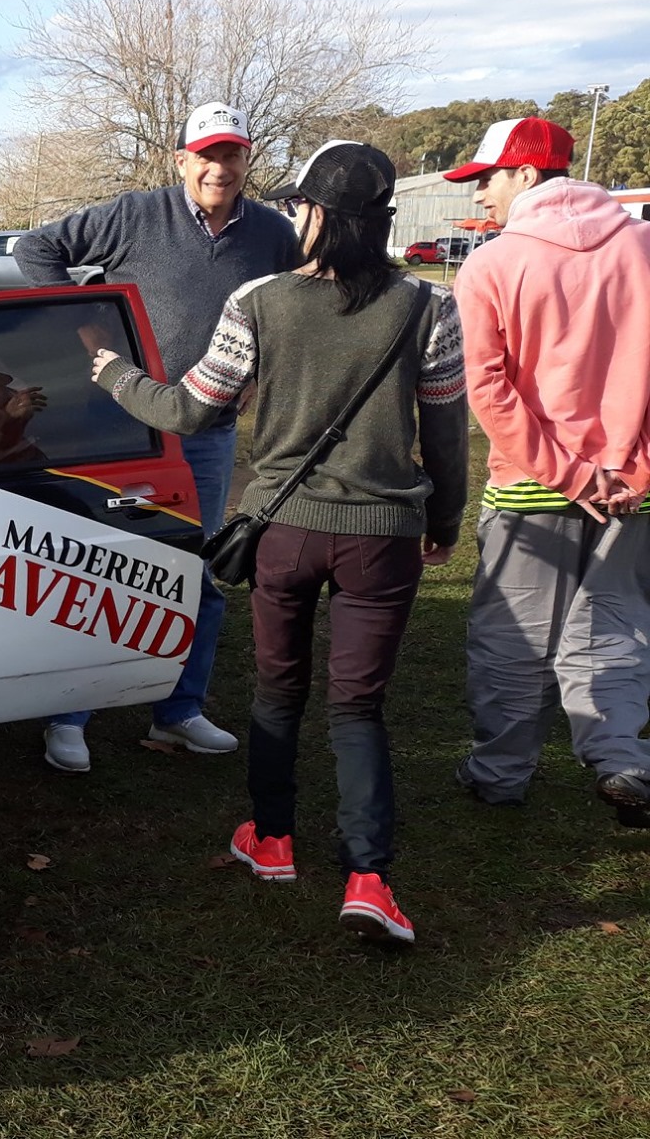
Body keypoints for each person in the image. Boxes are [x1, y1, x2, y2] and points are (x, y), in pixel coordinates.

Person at [88, 140, 466, 944]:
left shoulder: (258, 300)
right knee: (358, 705)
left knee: (277, 692)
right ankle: (369, 879)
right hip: (383, 540)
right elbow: (446, 434)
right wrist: (443, 524)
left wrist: (116, 375)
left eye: (299, 206)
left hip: (282, 531)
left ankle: (271, 840)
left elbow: (191, 410)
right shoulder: (430, 306)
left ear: (315, 214)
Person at [15, 101, 300, 773]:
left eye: (231, 155)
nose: (218, 168)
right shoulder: (135, 214)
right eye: (206, 155)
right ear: (181, 161)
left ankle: (178, 711)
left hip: (206, 431)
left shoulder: (273, 233)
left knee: (195, 571)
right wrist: (88, 327)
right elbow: (36, 250)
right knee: (99, 567)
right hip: (117, 423)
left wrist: (263, 372)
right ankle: (69, 715)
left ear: (247, 160)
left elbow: (291, 306)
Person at [441, 117, 650, 826]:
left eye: (487, 178)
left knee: (515, 637)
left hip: (532, 483)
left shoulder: (491, 264)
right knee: (619, 626)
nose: (482, 194)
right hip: (635, 487)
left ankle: (499, 773)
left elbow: (488, 390)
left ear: (527, 174)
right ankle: (620, 757)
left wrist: (569, 473)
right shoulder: (644, 247)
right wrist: (633, 468)